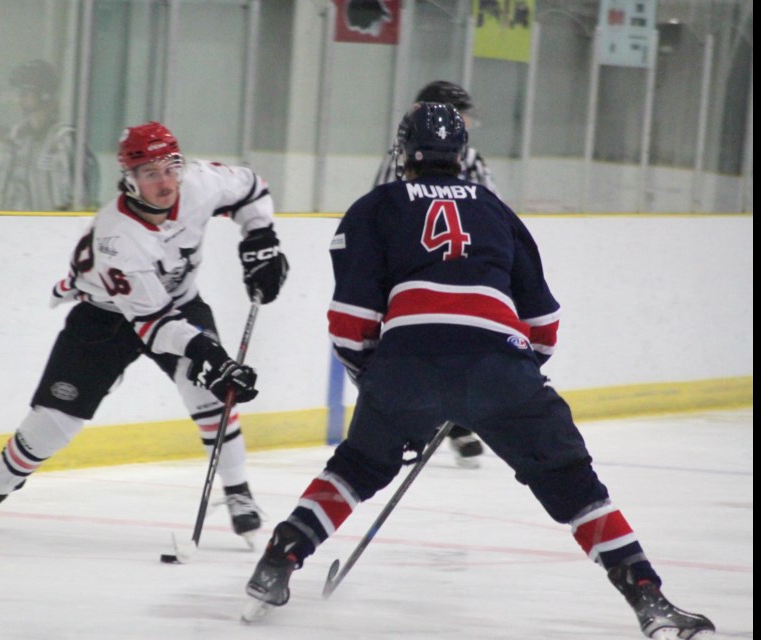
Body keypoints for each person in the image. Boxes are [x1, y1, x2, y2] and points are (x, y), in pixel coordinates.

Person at [244, 103, 714, 639]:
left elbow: (351, 321)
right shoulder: (494, 208)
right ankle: (649, 600)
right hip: (502, 365)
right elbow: (544, 322)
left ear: (405, 154)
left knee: (356, 467)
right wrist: (503, 378)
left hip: (405, 365)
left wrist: (378, 382)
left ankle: (279, 558)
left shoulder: (375, 207)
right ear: (460, 154)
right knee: (572, 483)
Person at [0, 121, 289, 543]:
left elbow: (252, 188)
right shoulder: (118, 237)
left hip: (178, 300)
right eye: (150, 173)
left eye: (170, 167)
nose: (165, 181)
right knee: (53, 421)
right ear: (130, 180)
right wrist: (208, 353)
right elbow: (154, 325)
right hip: (103, 316)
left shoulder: (200, 182)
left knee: (213, 391)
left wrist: (261, 238)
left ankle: (238, 492)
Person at [373, 79, 496, 469]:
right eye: (460, 115)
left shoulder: (471, 160)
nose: (465, 125)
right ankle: (423, 419)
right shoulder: (398, 157)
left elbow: (491, 213)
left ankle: (453, 421)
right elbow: (379, 210)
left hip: (456, 269)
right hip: (411, 268)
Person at [0, 59, 100, 211]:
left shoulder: (65, 140)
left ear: (45, 94)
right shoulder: (15, 140)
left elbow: (79, 197)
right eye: (19, 92)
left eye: (25, 92)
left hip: (57, 230)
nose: (20, 97)